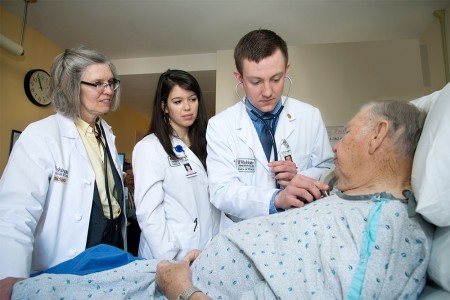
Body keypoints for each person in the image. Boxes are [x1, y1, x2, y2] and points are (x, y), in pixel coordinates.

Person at [156, 100, 433, 299]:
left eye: (347, 132)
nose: (336, 145)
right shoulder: (347, 203)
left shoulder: (380, 234)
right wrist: (219, 257)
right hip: (195, 267)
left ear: (378, 134)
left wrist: (182, 291)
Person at [0, 46, 126, 299]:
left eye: (111, 82)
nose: (109, 90)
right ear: (71, 86)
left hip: (109, 250)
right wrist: (9, 273)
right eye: (98, 83)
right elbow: (15, 213)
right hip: (66, 259)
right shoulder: (41, 135)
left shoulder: (106, 135)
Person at [206, 29, 334, 230]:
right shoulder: (220, 125)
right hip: (244, 233)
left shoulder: (310, 116)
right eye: (256, 82)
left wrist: (298, 178)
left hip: (298, 227)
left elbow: (328, 171)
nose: (267, 91)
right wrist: (276, 199)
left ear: (287, 70)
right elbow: (221, 191)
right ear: (238, 77)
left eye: (276, 79)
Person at [132, 69, 220, 261]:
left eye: (192, 99)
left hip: (207, 250)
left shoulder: (209, 143)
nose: (187, 107)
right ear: (164, 107)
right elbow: (149, 212)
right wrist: (168, 255)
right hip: (172, 254)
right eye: (178, 101)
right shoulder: (150, 148)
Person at [123, 162, 140, 256]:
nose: (131, 177)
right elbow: (125, 211)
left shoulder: (138, 190)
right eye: (128, 175)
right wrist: (138, 212)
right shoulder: (121, 191)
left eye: (133, 175)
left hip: (138, 224)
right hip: (127, 225)